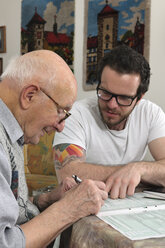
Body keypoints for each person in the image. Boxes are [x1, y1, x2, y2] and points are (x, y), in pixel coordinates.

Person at [0, 50, 108, 248]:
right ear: (29, 96)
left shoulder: (12, 131)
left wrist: (46, 199)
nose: (61, 126)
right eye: (61, 111)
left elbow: (10, 208)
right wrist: (70, 208)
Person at [53, 45, 165, 200]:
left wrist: (139, 169)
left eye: (124, 98)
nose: (112, 104)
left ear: (139, 98)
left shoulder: (151, 114)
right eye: (105, 92)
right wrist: (129, 173)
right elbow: (67, 173)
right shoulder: (76, 114)